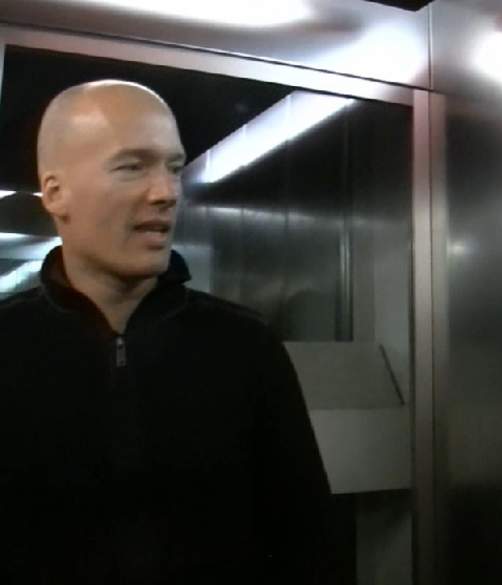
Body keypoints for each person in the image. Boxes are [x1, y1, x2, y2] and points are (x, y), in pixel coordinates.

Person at [0, 80, 329, 584]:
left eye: (174, 168)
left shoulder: (244, 346)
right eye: (133, 167)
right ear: (55, 192)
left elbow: (307, 540)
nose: (167, 192)